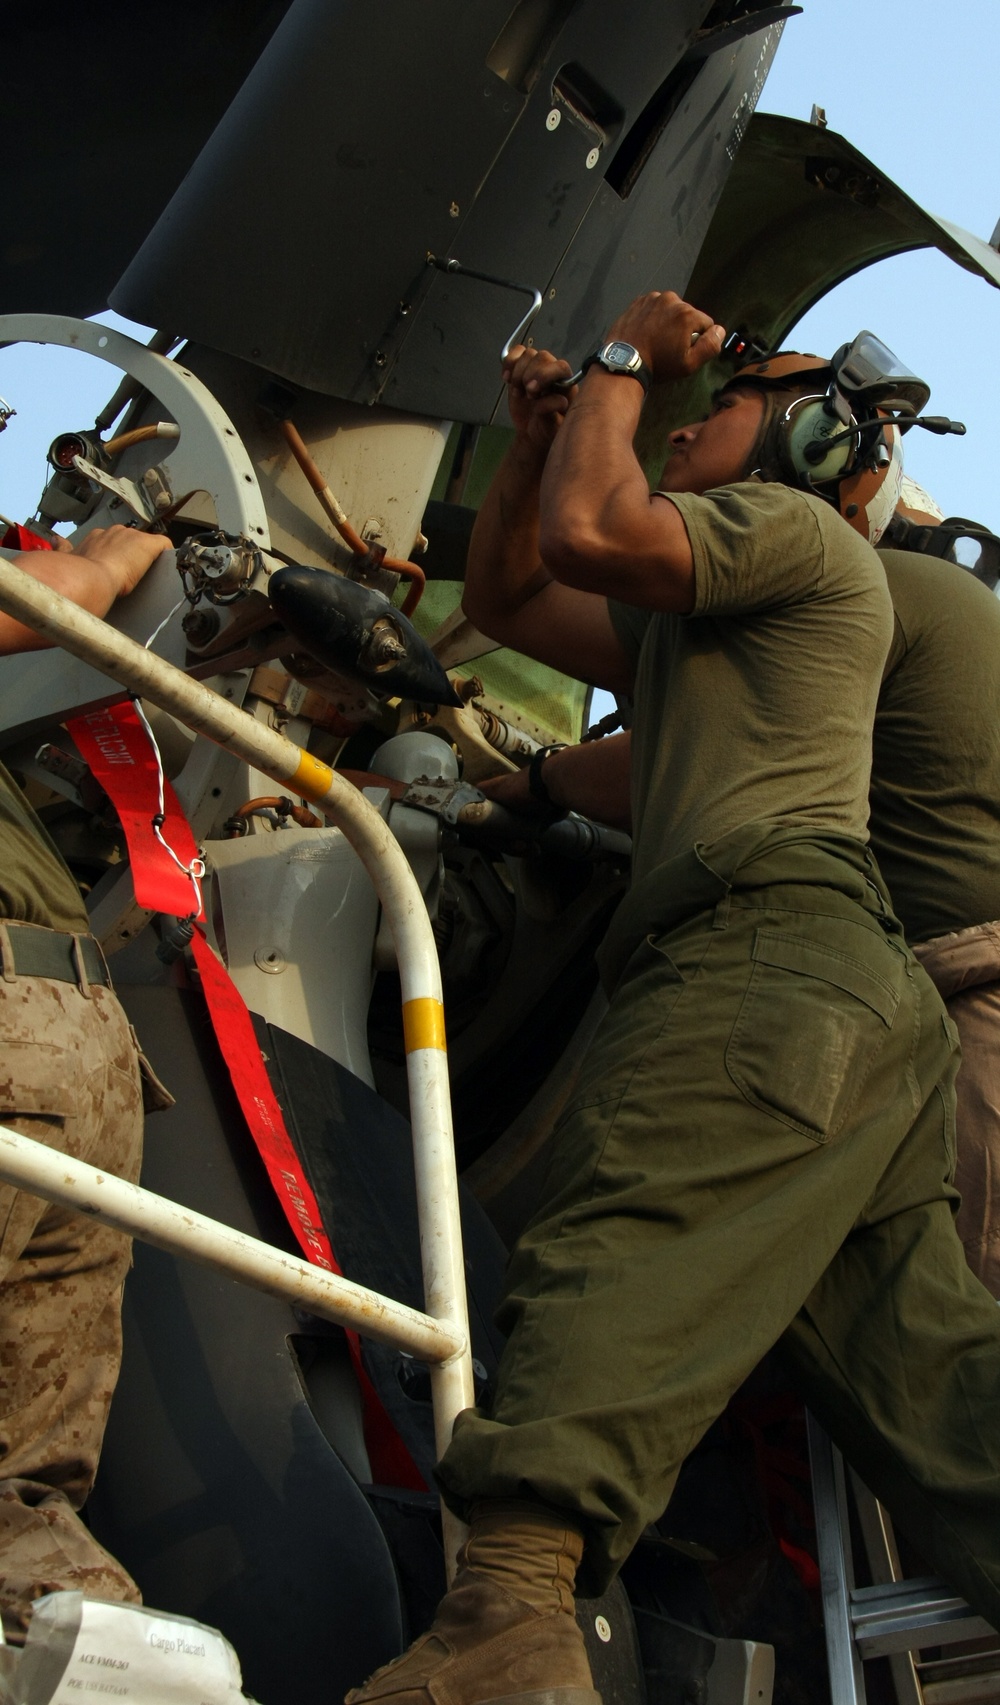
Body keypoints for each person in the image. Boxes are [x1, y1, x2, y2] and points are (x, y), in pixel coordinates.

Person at [347, 294, 1000, 1705]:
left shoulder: (797, 537)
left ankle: (504, 1628)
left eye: (743, 387)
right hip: (852, 1004)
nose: (705, 397)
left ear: (821, 439)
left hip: (762, 956)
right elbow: (516, 597)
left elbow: (595, 536)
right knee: (931, 1376)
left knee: (624, 1235)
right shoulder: (716, 623)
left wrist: (628, 368)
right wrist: (540, 442)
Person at [0, 522, 170, 1642]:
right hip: (33, 1023)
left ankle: (63, 1631)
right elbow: (40, 605)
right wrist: (104, 567)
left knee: (29, 1470)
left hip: (73, 1036)